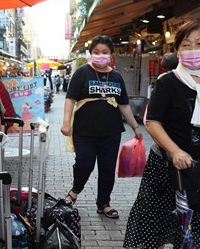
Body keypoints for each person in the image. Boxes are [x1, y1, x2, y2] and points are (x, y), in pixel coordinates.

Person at [124, 19, 200, 249]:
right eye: (186, 45)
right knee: (159, 215)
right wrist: (175, 151)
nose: (193, 50)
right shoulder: (168, 82)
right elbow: (152, 121)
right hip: (168, 164)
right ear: (177, 50)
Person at [60, 35, 142, 219]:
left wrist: (136, 127)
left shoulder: (116, 76)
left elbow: (124, 104)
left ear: (111, 54)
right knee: (84, 165)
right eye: (96, 52)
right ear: (91, 53)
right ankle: (74, 192)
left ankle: (103, 203)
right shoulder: (82, 72)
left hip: (111, 133)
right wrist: (66, 123)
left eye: (104, 52)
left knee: (107, 168)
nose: (100, 55)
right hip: (84, 131)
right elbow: (70, 98)